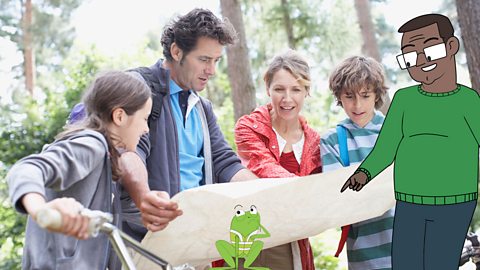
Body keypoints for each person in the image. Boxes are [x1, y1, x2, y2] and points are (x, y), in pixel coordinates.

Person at [69, 8, 258, 241]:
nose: (212, 70)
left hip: (192, 235)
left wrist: (263, 195)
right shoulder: (140, 90)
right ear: (176, 51)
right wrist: (145, 197)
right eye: (204, 59)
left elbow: (224, 163)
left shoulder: (202, 108)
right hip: (145, 237)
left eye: (216, 60)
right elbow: (128, 153)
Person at [341, 14, 480, 270]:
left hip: (454, 203)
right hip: (410, 203)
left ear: (451, 47)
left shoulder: (467, 102)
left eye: (430, 49)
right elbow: (387, 146)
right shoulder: (405, 100)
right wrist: (364, 173)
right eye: (410, 56)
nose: (421, 61)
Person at [7, 71, 152, 269]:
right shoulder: (92, 145)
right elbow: (26, 169)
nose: (146, 129)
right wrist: (41, 209)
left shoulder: (107, 160)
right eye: (144, 119)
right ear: (119, 116)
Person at [232, 50, 320, 270]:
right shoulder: (249, 127)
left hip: (292, 242)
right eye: (279, 89)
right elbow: (264, 167)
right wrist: (303, 189)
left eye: (296, 90)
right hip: (249, 236)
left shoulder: (315, 142)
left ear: (306, 91)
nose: (287, 99)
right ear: (267, 89)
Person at [320, 56, 393, 269]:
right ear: (339, 98)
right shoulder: (332, 140)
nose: (357, 105)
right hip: (365, 257)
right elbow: (339, 199)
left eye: (365, 95)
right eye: (349, 96)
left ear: (377, 94)